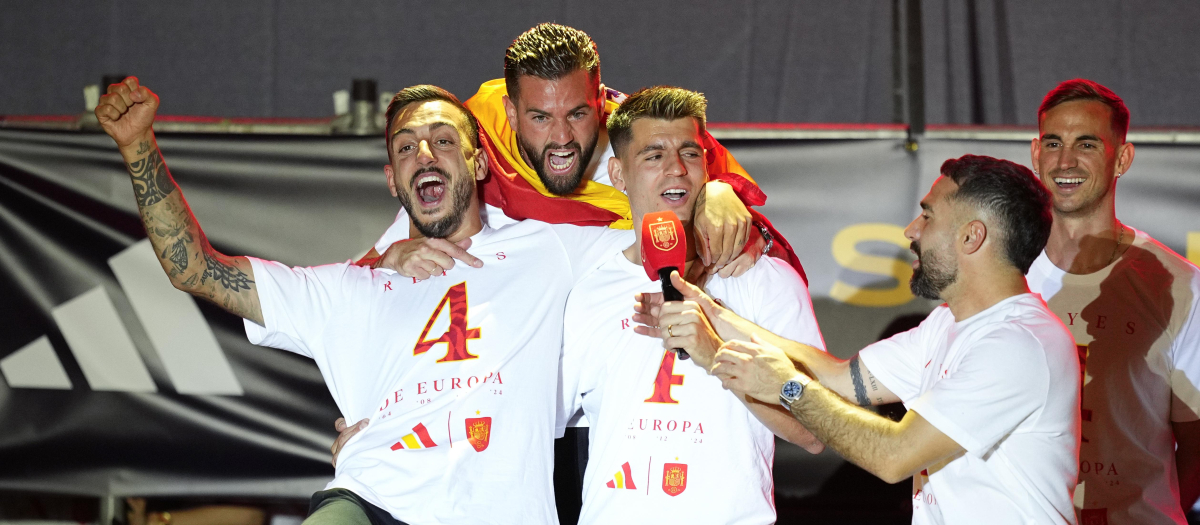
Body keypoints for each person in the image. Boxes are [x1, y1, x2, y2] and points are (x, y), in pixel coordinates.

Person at [96, 77, 630, 524]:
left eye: (444, 140)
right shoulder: (350, 288)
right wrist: (137, 144)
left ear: (481, 165)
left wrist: (716, 196)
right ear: (393, 183)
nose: (424, 153)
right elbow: (195, 270)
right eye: (405, 146)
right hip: (370, 503)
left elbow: (662, 233)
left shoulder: (548, 251)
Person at [647, 155, 1081, 523]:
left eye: (927, 215)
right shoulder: (949, 325)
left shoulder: (1017, 345)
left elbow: (893, 456)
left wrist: (786, 387)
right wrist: (707, 312)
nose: (911, 230)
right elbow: (839, 377)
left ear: (972, 236)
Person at [557, 86, 824, 523]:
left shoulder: (766, 279)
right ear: (618, 175)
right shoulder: (588, 288)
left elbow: (814, 431)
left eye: (690, 153)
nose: (676, 169)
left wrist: (716, 352)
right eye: (653, 155)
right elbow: (534, 415)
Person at [363, 22, 806, 283]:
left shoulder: (652, 142)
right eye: (540, 118)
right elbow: (367, 272)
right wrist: (388, 260)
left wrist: (719, 191)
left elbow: (751, 240)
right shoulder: (479, 141)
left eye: (577, 114)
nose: (561, 139)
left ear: (602, 101)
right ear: (510, 114)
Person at [1026, 78, 1200, 524]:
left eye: (1086, 144)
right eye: (1053, 143)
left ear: (1122, 157)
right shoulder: (1000, 271)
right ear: (1034, 153)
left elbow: (1198, 441)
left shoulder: (1181, 286)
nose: (1065, 161)